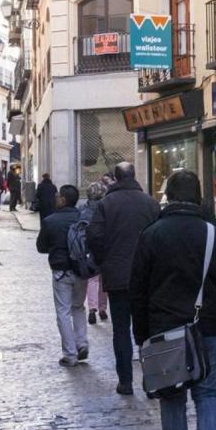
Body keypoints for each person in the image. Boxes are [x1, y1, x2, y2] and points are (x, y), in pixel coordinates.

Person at [130, 170, 216, 430]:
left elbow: (138, 291)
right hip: (209, 326)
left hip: (164, 329)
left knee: (172, 397)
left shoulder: (151, 235)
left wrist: (141, 336)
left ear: (169, 197)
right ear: (198, 196)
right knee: (207, 392)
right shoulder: (215, 236)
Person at [87, 162, 161, 395]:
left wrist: (103, 261)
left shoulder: (106, 204)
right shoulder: (151, 203)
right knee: (148, 329)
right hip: (147, 276)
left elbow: (95, 236)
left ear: (116, 179)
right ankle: (151, 382)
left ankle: (126, 381)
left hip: (118, 276)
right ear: (134, 176)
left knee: (121, 329)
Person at [37, 184, 88, 367]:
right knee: (79, 307)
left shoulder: (51, 221)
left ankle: (70, 353)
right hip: (81, 270)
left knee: (63, 312)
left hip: (61, 271)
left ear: (63, 200)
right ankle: (82, 343)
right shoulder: (82, 218)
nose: (56, 198)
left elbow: (41, 247)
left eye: (58, 196)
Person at [82, 181, 109, 324]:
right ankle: (103, 308)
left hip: (89, 248)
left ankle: (92, 308)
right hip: (104, 247)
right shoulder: (106, 208)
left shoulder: (83, 209)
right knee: (104, 280)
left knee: (92, 279)